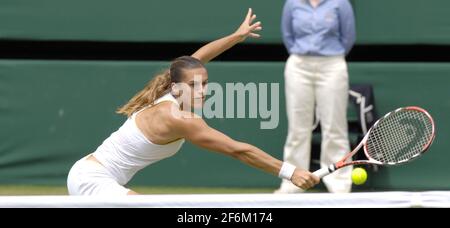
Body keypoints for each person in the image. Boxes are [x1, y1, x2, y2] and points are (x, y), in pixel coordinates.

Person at [67, 8, 320, 196]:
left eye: (205, 83)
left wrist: (237, 36)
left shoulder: (172, 88)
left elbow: (196, 60)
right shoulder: (179, 118)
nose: (201, 91)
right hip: (91, 178)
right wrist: (291, 172)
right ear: (177, 86)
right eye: (193, 86)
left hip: (93, 174)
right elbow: (237, 150)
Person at [275, 0, 356, 194]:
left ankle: (339, 185)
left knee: (335, 127)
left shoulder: (341, 3)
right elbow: (288, 36)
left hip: (332, 65)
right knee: (297, 128)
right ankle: (292, 183)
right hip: (299, 65)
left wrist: (328, 57)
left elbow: (348, 37)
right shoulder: (292, 4)